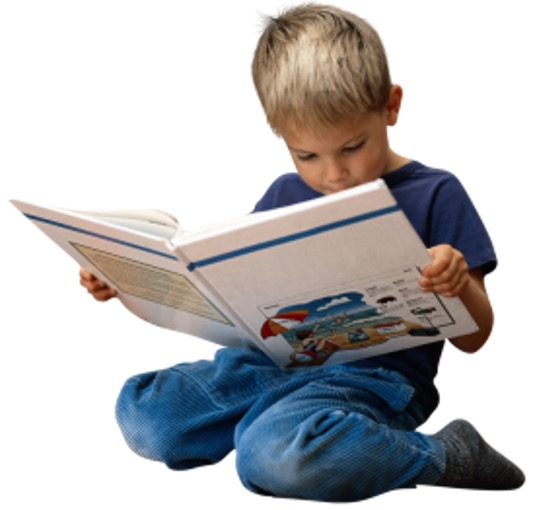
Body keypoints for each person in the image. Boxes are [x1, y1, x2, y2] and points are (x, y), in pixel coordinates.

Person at [79, 4, 524, 502]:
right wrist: (127, 283)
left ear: (391, 106)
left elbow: (476, 338)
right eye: (306, 155)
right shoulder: (283, 195)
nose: (334, 175)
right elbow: (233, 302)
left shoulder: (435, 193)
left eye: (353, 147)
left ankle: (444, 455)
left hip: (375, 379)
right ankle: (281, 425)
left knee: (273, 457)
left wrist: (458, 283)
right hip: (270, 365)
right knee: (147, 416)